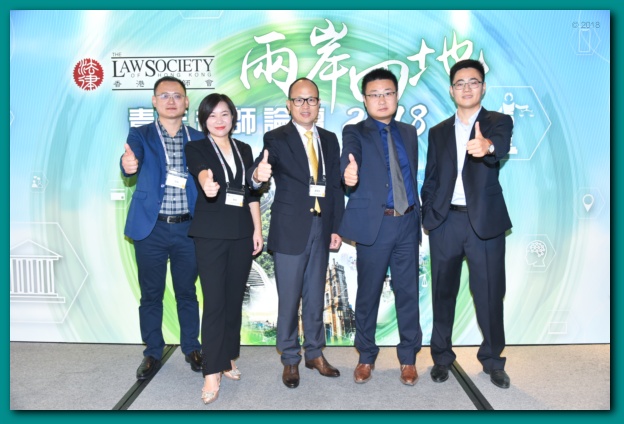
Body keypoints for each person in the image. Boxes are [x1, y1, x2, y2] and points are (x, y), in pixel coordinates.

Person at [421, 59, 513, 389]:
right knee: (442, 293)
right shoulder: (438, 131)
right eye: (460, 83)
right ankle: (441, 357)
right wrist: (429, 215)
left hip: (484, 223)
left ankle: (493, 360)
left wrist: (487, 146)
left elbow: (499, 146)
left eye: (473, 82)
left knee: (489, 294)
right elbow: (431, 178)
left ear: (483, 87)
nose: (466, 88)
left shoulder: (498, 121)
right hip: (445, 222)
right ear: (451, 90)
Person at [248, 77, 344, 389]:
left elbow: (335, 187)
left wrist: (336, 227)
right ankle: (290, 358)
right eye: (299, 100)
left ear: (319, 104)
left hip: (321, 227)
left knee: (315, 295)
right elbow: (258, 172)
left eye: (311, 99)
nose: (305, 105)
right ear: (289, 105)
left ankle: (315, 353)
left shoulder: (329, 139)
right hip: (290, 229)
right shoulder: (276, 138)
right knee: (289, 299)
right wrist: (257, 175)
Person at [339, 68, 422, 386]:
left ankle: (409, 359)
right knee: (368, 293)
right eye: (374, 94)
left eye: (388, 93)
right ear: (364, 99)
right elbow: (349, 157)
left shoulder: (409, 132)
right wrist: (348, 172)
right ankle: (365, 356)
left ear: (397, 96)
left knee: (408, 293)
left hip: (408, 222)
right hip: (376, 225)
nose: (382, 99)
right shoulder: (355, 131)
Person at [120, 76, 202, 380]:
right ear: (154, 101)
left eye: (177, 95)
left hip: (188, 228)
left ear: (186, 102)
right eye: (164, 95)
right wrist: (127, 166)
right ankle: (153, 352)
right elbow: (130, 162)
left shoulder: (198, 137)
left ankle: (192, 347)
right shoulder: (140, 134)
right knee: (151, 294)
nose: (171, 101)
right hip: (151, 229)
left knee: (187, 292)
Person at [185, 93, 263, 404]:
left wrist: (257, 229)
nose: (219, 121)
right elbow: (201, 170)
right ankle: (211, 370)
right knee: (215, 301)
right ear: (203, 120)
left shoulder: (243, 149)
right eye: (212, 115)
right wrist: (207, 182)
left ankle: (228, 356)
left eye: (225, 114)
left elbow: (251, 192)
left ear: (233, 117)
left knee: (233, 300)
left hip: (242, 232)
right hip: (211, 235)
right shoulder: (197, 147)